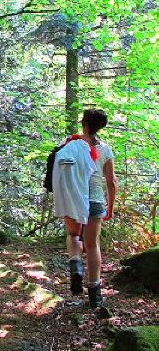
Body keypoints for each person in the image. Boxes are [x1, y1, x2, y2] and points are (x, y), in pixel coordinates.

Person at [53, 109, 117, 308]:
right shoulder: (105, 150)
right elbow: (111, 182)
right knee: (92, 245)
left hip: (73, 197)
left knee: (73, 235)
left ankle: (76, 266)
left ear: (84, 124)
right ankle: (95, 295)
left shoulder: (70, 143)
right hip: (95, 200)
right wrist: (110, 207)